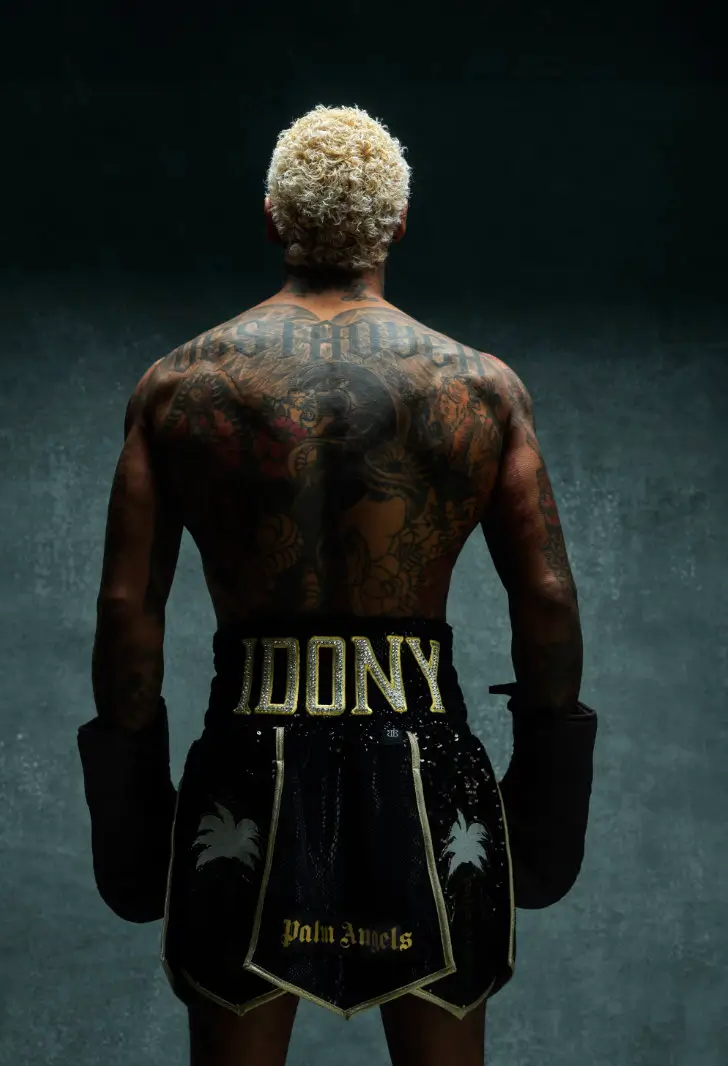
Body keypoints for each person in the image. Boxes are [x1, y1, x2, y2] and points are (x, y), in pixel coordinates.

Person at [77, 105, 597, 1066]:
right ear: (397, 225)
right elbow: (549, 604)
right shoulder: (479, 389)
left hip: (248, 752)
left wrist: (134, 804)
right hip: (424, 748)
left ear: (274, 217)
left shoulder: (180, 387)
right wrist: (548, 787)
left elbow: (127, 614)